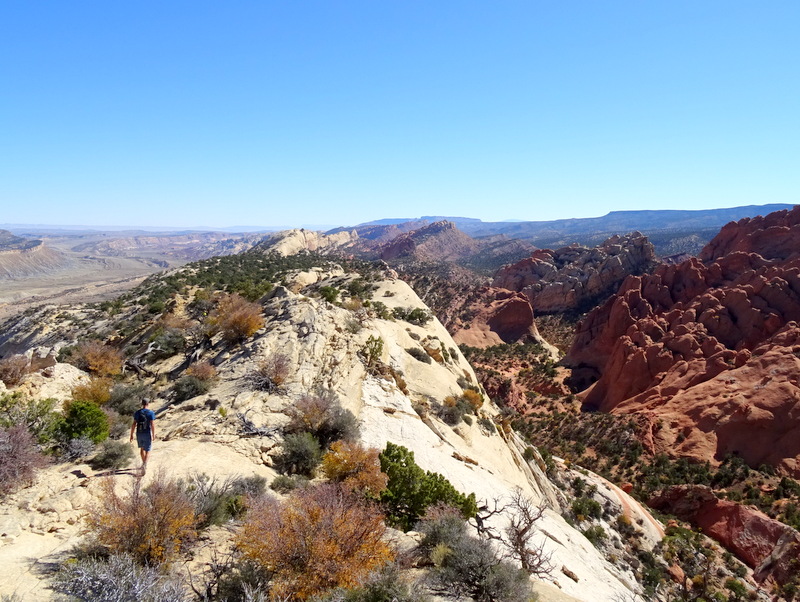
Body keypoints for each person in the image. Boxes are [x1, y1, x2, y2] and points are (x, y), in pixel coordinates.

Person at [129, 398, 156, 473]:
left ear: (142, 404)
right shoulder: (150, 413)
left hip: (139, 433)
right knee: (148, 450)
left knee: (142, 449)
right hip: (147, 433)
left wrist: (131, 435)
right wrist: (153, 435)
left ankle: (143, 463)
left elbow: (134, 424)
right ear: (148, 404)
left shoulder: (137, 413)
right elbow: (152, 424)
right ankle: (145, 464)